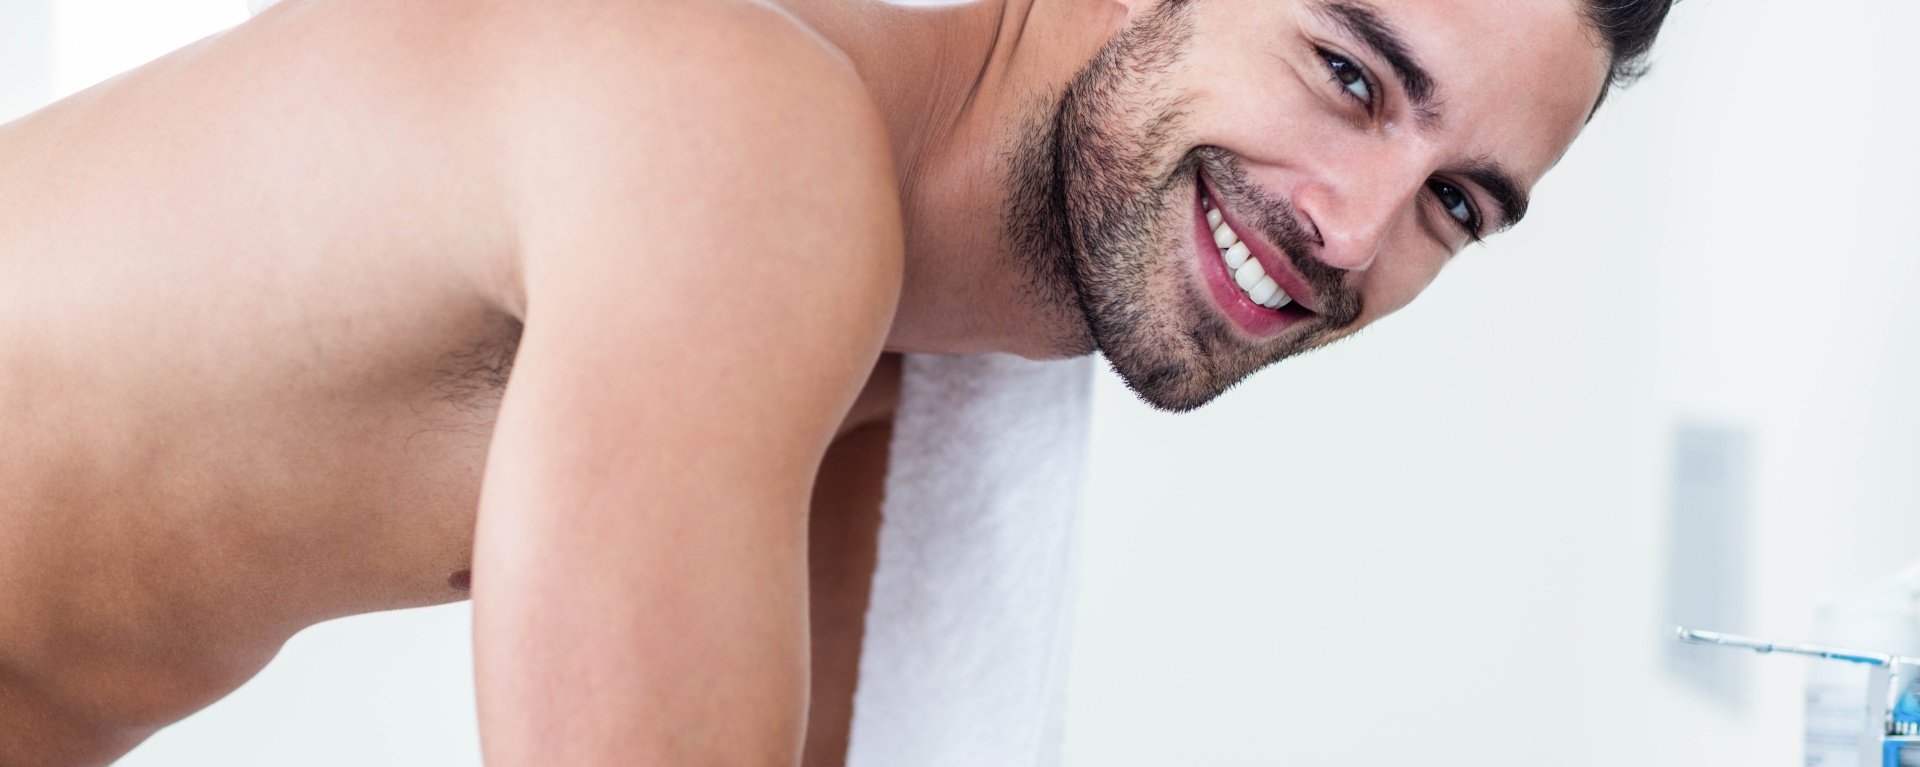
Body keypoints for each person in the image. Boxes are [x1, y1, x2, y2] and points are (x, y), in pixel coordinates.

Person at [0, 0, 1674, 763]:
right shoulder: (747, 153)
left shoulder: (892, 361)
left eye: (1459, 205)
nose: (1352, 230)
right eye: (1350, 74)